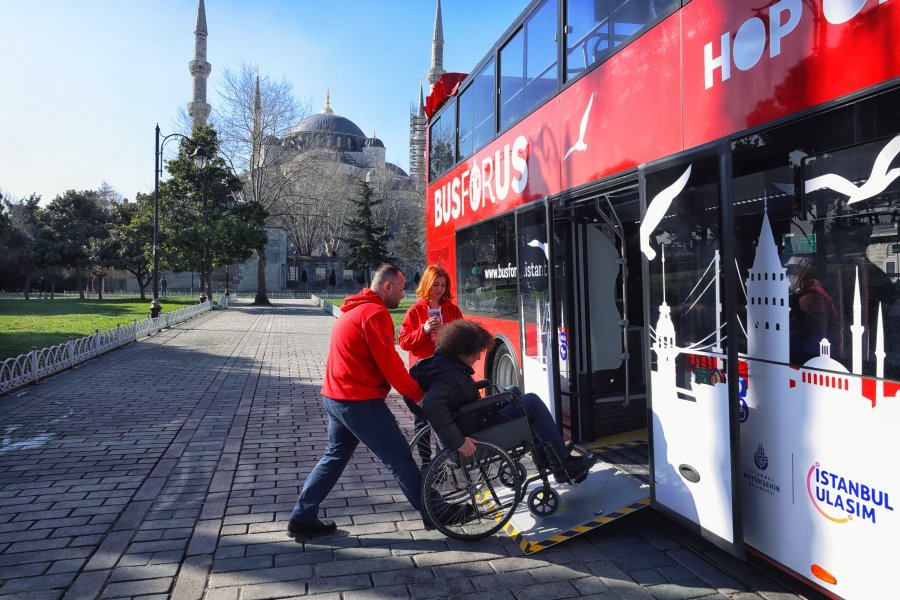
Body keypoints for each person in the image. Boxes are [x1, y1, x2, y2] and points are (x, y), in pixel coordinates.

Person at [288, 264, 431, 537]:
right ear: (387, 286)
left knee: (335, 455)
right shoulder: (375, 313)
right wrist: (417, 395)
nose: (403, 296)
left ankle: (302, 517)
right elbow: (390, 364)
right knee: (400, 457)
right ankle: (436, 511)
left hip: (336, 397)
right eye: (401, 289)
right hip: (359, 400)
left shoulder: (354, 309)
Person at [412, 320, 598, 484]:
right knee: (531, 402)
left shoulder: (447, 365)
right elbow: (432, 407)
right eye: (477, 353)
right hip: (475, 429)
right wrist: (458, 442)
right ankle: (563, 465)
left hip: (471, 417)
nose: (478, 357)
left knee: (513, 391)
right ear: (462, 352)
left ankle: (548, 454)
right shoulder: (446, 378)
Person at [399, 265, 464, 464]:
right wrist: (424, 330)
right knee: (422, 420)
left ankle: (443, 459)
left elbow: (464, 339)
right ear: (427, 283)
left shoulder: (452, 309)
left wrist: (447, 331)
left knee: (446, 416)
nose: (439, 289)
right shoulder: (415, 310)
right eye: (435, 284)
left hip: (446, 371)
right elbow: (403, 342)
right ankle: (427, 463)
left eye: (443, 285)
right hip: (423, 373)